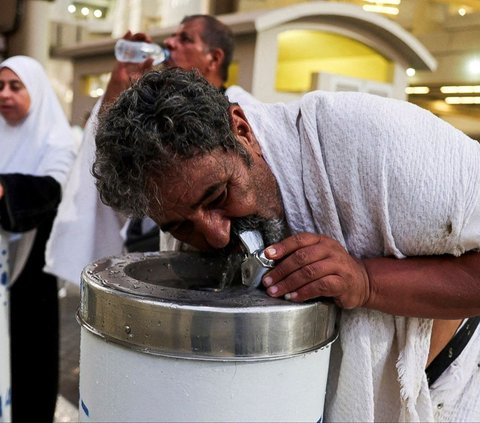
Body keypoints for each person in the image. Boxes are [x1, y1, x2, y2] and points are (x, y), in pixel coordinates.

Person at [92, 67, 480, 422]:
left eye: (218, 195)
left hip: (445, 390)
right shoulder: (180, 195)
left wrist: (367, 282)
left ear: (241, 130)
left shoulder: (376, 144)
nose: (216, 236)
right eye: (180, 225)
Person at [44, 14, 257, 285]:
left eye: (185, 39)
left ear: (214, 59)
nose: (169, 42)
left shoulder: (243, 112)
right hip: (144, 249)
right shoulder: (157, 116)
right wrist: (120, 83)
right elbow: (112, 165)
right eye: (172, 36)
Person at [0, 56, 77, 422]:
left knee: (30, 356)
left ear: (37, 91)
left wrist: (5, 189)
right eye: (0, 86)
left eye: (16, 86)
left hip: (33, 271)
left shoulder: (57, 140)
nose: (5, 94)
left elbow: (51, 191)